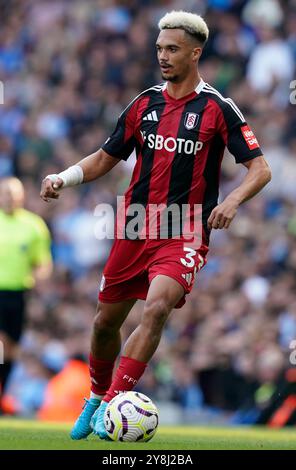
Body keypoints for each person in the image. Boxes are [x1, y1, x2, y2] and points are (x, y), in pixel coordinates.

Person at [40, 10, 271, 440]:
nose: (163, 56)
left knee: (158, 306)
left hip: (185, 228)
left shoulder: (218, 108)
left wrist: (234, 201)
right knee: (104, 323)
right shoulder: (144, 103)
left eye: (172, 49)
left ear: (195, 53)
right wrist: (64, 177)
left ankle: (113, 405)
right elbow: (105, 157)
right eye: (160, 48)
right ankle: (95, 394)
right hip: (134, 224)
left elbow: (260, 168)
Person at [0, 177, 52, 404]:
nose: (9, 198)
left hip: (19, 294)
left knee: (11, 349)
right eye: (5, 193)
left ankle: (2, 394)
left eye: (13, 194)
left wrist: (40, 278)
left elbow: (43, 262)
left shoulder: (34, 226)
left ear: (21, 197)